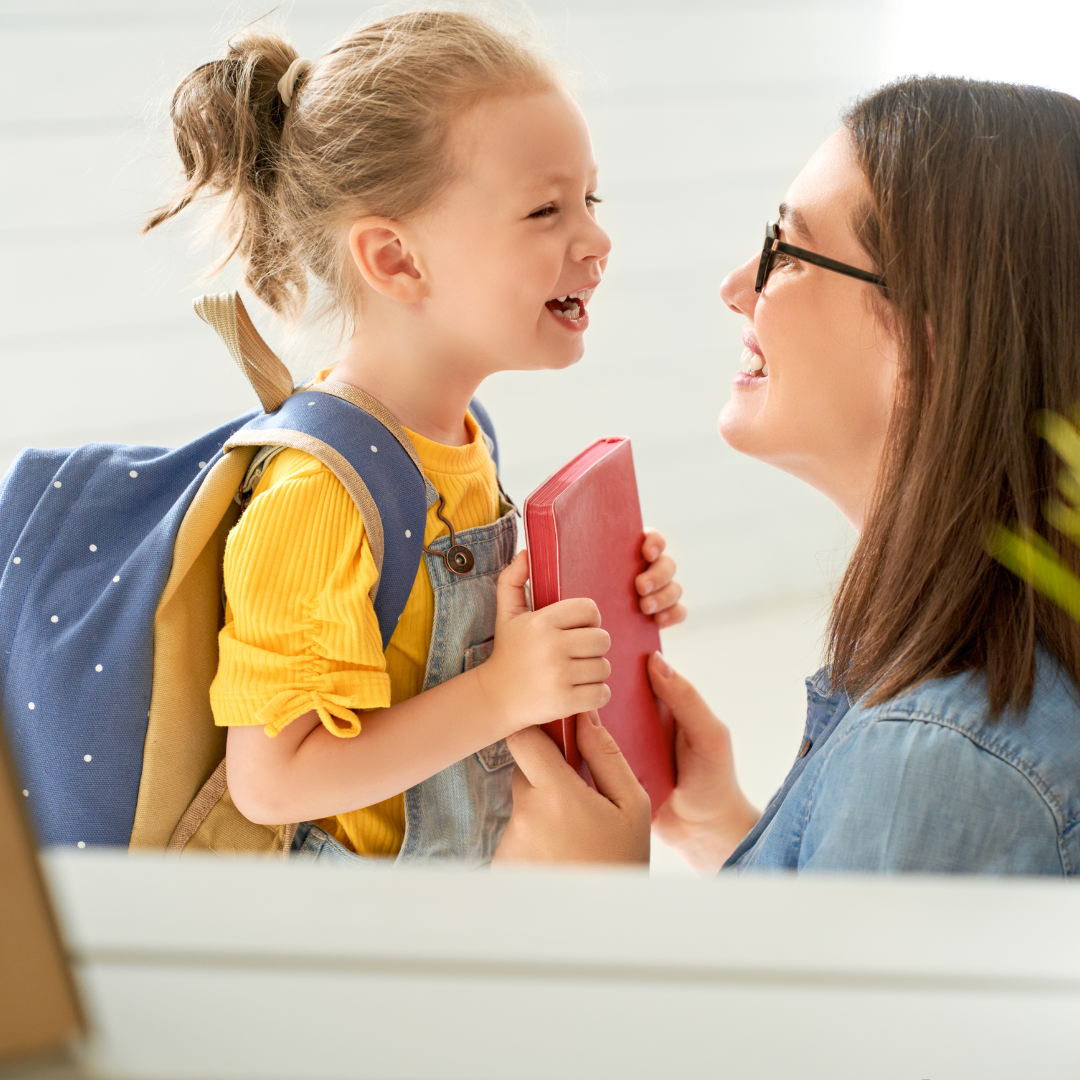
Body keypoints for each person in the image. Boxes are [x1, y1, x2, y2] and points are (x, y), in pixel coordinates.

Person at [494, 77, 1080, 877]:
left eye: (786, 251)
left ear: (933, 341)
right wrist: (718, 827)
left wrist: (595, 892)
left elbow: (813, 1010)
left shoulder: (936, 763)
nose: (738, 290)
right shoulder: (959, 712)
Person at [144, 11, 686, 863]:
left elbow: (424, 645)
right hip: (365, 948)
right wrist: (502, 691)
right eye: (546, 208)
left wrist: (589, 598)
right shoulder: (316, 497)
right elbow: (274, 780)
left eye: (590, 198)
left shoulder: (462, 438)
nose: (597, 238)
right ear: (396, 260)